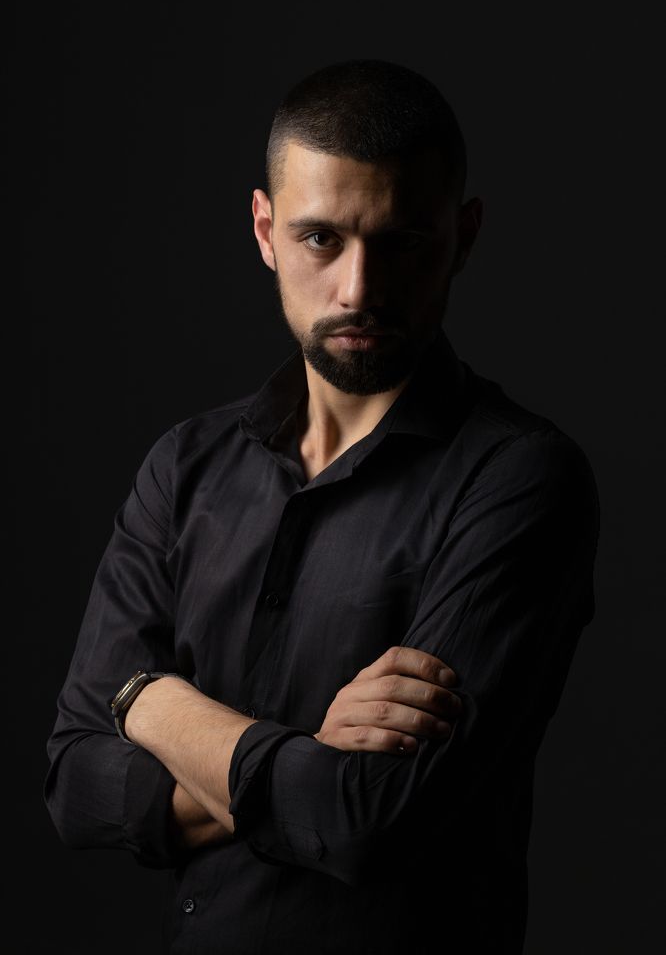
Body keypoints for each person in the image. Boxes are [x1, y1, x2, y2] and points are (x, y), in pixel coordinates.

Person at [44, 58, 600, 954]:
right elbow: (75, 785)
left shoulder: (522, 479)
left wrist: (147, 701)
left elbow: (362, 818)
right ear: (266, 230)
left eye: (402, 242)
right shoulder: (183, 468)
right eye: (320, 239)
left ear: (463, 236)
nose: (358, 290)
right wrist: (306, 750)